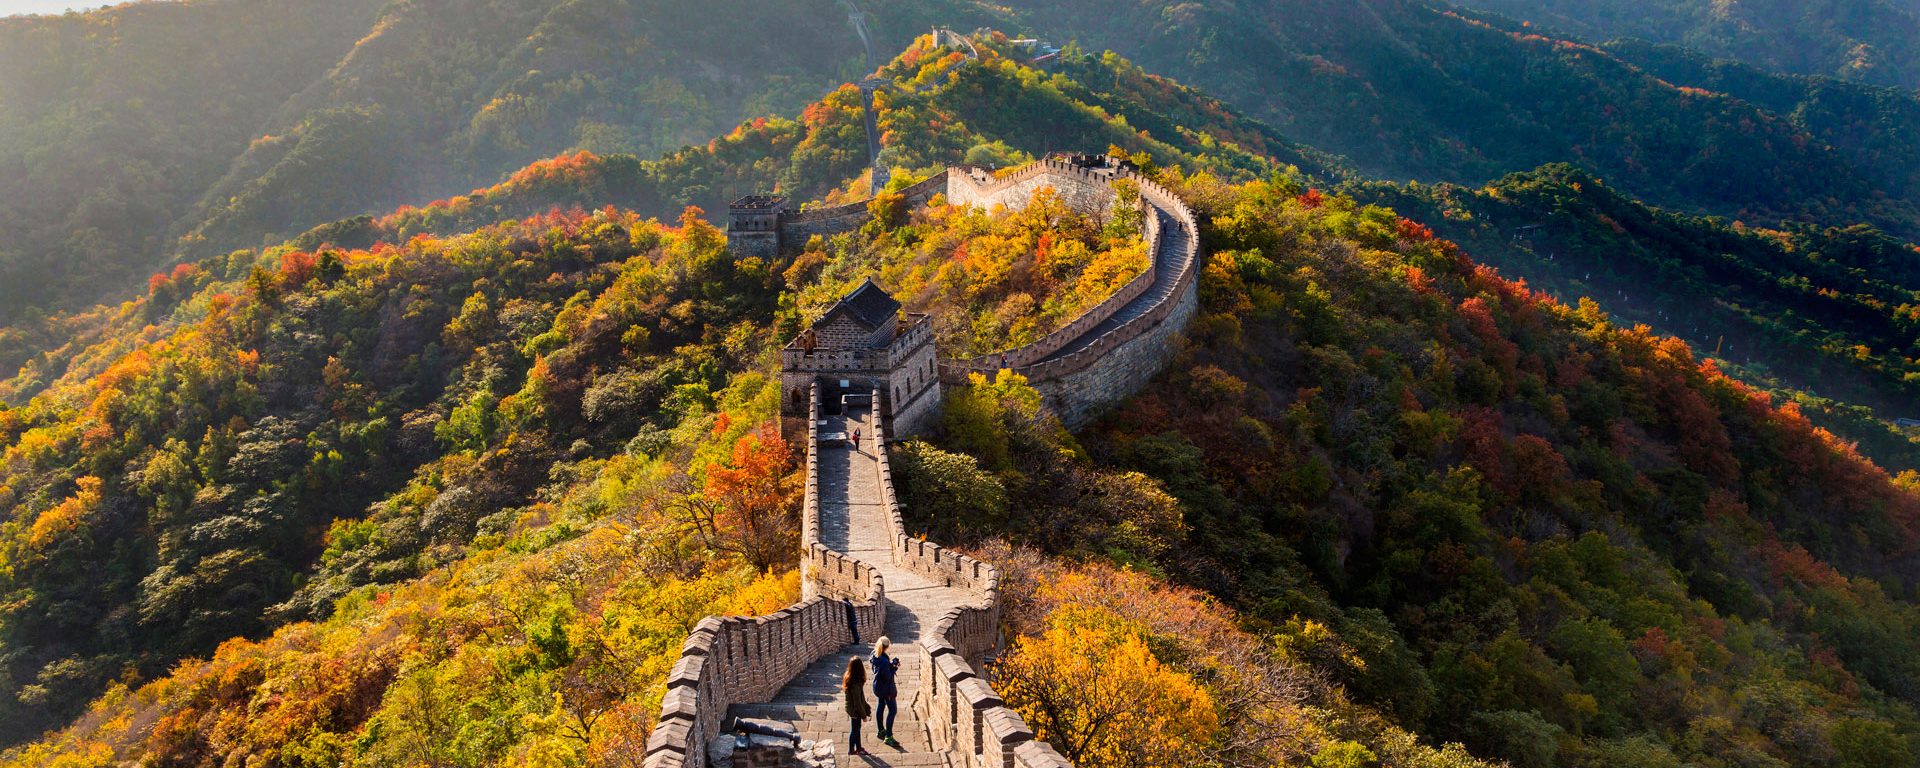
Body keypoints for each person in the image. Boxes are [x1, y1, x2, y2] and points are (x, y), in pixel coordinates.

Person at [870, 637, 901, 747]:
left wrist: (890, 665)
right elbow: (887, 677)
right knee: (892, 710)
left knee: (881, 705)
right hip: (887, 690)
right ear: (886, 647)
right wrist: (894, 667)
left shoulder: (874, 655)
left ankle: (881, 730)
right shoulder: (883, 661)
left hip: (878, 687)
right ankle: (888, 736)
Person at [843, 656, 872, 756]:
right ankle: (851, 750)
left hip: (852, 708)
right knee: (855, 729)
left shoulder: (851, 678)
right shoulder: (855, 684)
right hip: (855, 710)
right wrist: (863, 715)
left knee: (856, 728)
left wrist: (866, 706)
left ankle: (858, 748)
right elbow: (857, 703)